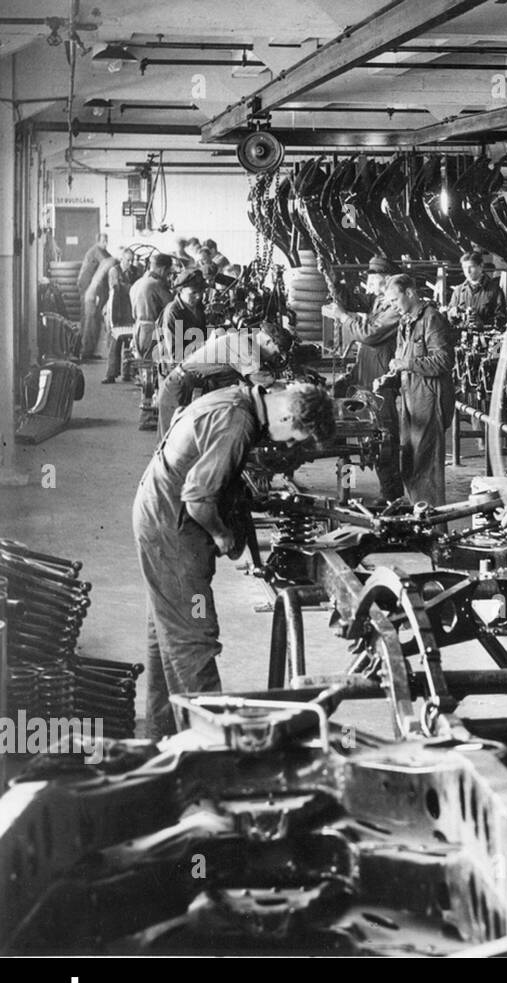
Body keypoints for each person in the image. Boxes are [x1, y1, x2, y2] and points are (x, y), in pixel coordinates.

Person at [133, 381, 334, 740]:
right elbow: (197, 499)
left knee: (166, 629)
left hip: (158, 514)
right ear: (286, 413)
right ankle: (213, 750)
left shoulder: (238, 397)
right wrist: (223, 535)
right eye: (293, 437)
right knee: (193, 636)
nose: (287, 445)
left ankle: (161, 737)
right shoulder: (237, 422)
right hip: (174, 530)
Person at [322, 255, 403, 501]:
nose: (368, 280)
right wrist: (331, 278)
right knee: (350, 429)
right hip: (364, 374)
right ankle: (347, 487)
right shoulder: (378, 300)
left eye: (373, 276)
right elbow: (348, 300)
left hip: (381, 381)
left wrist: (344, 317)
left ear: (387, 279)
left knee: (383, 437)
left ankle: (392, 497)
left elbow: (370, 334)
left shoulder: (392, 308)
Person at [383, 273, 456, 507]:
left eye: (395, 300)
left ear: (410, 293)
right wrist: (389, 377)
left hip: (429, 399)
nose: (392, 306)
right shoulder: (405, 321)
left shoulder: (432, 319)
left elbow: (444, 361)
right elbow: (403, 360)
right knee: (410, 465)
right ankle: (419, 521)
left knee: (427, 471)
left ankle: (434, 531)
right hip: (409, 399)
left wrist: (406, 364)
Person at [157, 321, 291, 437]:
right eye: (275, 353)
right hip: (179, 389)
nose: (273, 359)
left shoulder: (244, 341)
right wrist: (291, 390)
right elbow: (262, 382)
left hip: (189, 387)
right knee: (171, 445)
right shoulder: (244, 347)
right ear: (268, 341)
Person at [107, 253, 171, 384]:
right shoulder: (156, 284)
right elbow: (171, 306)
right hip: (152, 330)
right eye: (168, 272)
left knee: (146, 368)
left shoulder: (137, 283)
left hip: (138, 329)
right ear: (163, 269)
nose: (167, 276)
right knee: (155, 369)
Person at [158, 269, 209, 365]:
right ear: (181, 290)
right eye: (193, 293)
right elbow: (176, 355)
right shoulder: (173, 313)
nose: (199, 296)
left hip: (197, 362)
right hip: (177, 370)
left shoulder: (199, 307)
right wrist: (207, 344)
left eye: (201, 291)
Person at [448, 250, 507, 329]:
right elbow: (451, 321)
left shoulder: (495, 290)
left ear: (481, 266)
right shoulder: (458, 291)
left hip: (486, 338)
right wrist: (452, 314)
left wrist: (483, 322)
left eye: (471, 267)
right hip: (463, 337)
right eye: (465, 267)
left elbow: (502, 319)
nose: (468, 271)